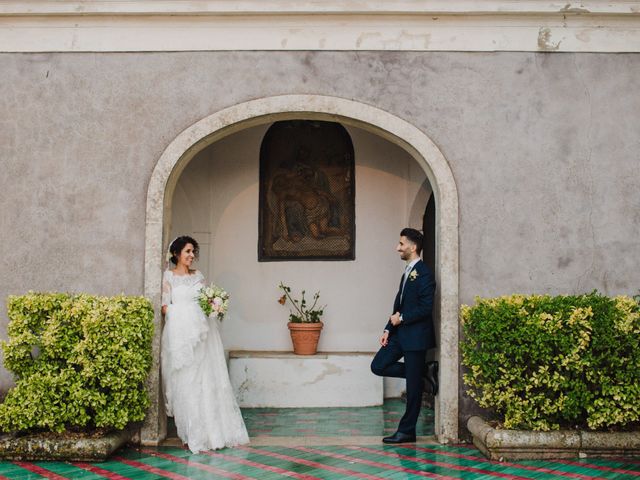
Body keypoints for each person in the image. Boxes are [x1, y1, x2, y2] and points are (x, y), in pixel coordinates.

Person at [161, 235, 249, 453]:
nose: (192, 256)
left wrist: (214, 305)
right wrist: (186, 313)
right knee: (187, 382)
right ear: (176, 254)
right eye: (188, 252)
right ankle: (191, 433)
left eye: (193, 252)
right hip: (182, 336)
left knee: (205, 381)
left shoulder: (198, 276)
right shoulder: (168, 277)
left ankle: (213, 432)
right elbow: (165, 306)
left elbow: (205, 300)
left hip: (203, 336)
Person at [370, 228, 438, 444]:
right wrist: (388, 328)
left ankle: (407, 431)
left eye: (401, 244)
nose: (397, 248)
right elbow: (399, 304)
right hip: (400, 333)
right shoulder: (406, 272)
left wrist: (404, 318)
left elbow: (426, 308)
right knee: (378, 365)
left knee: (413, 390)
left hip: (416, 337)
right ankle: (422, 373)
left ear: (413, 247)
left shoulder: (425, 274)